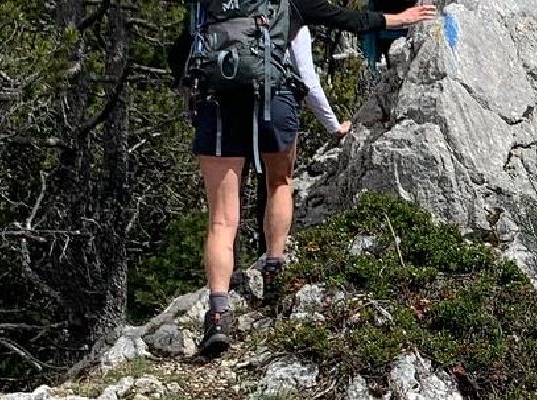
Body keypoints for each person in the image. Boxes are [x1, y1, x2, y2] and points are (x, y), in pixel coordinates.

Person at [168, 0, 438, 357]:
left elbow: (179, 54)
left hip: (218, 102)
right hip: (272, 99)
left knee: (221, 219)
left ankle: (218, 314)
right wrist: (397, 19)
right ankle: (274, 270)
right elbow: (344, 18)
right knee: (279, 183)